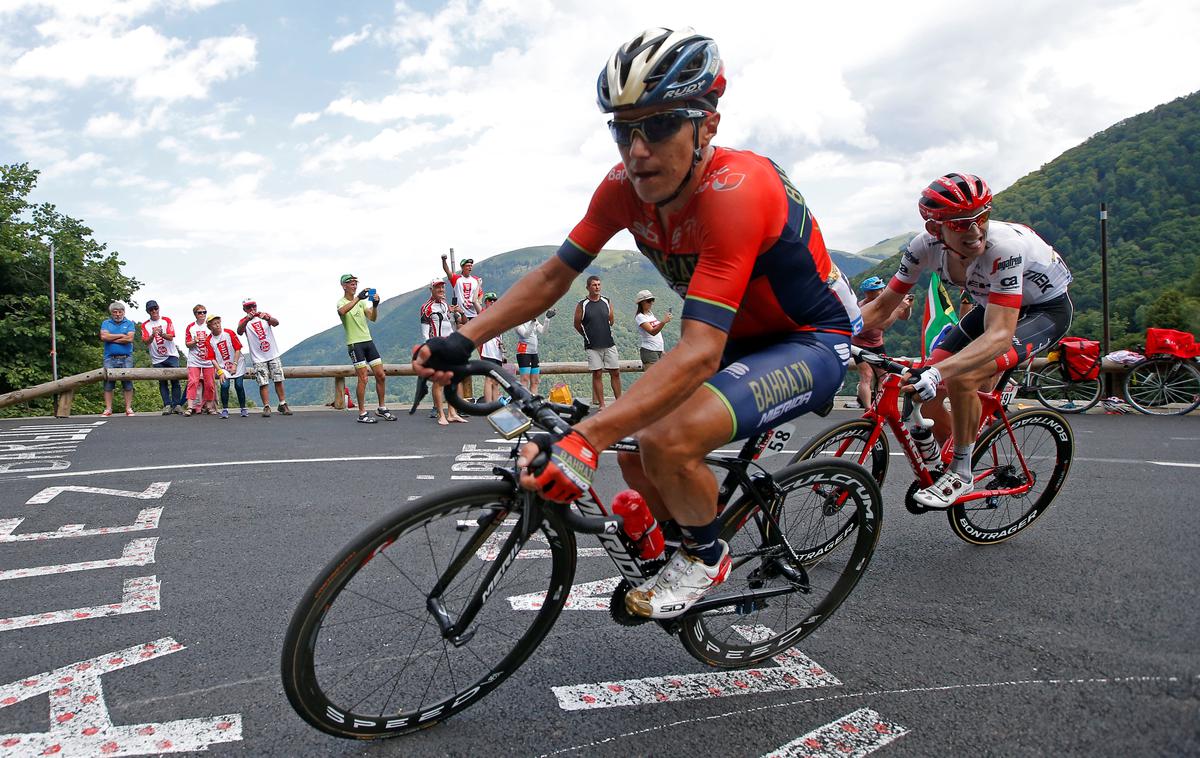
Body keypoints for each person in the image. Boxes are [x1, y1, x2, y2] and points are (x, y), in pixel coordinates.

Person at [415, 28, 858, 619]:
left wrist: (583, 438)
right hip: (733, 341)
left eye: (660, 125)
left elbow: (699, 350)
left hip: (810, 339)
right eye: (623, 129)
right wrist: (463, 337)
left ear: (707, 126)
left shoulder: (739, 191)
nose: (638, 148)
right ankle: (677, 543)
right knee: (632, 449)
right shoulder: (624, 189)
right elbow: (554, 276)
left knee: (665, 439)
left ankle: (705, 556)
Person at [861, 172, 1073, 509]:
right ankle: (955, 455)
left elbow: (1000, 335)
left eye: (981, 217)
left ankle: (962, 471)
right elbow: (883, 305)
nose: (975, 231)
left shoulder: (1003, 248)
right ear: (935, 229)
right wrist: (831, 335)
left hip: (1042, 311)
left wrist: (938, 372)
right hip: (993, 303)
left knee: (961, 377)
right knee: (922, 384)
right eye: (960, 224)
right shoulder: (922, 247)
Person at [337, 274, 396, 424]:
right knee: (363, 378)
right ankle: (362, 413)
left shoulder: (362, 303)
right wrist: (358, 298)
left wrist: (375, 305)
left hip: (368, 342)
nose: (354, 285)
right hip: (354, 344)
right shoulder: (341, 302)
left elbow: (373, 318)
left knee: (381, 375)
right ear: (344, 286)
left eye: (355, 283)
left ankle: (382, 408)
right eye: (350, 283)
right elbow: (342, 311)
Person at [850, 277, 913, 408]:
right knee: (866, 375)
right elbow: (882, 325)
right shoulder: (864, 307)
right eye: (879, 290)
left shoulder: (883, 304)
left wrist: (907, 307)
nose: (883, 291)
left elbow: (905, 317)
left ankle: (879, 406)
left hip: (877, 344)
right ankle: (868, 409)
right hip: (859, 345)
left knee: (883, 376)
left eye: (883, 289)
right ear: (869, 293)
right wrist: (898, 307)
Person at [419, 278, 468, 425]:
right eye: (437, 287)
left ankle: (452, 413)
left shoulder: (446, 305)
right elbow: (424, 333)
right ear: (431, 290)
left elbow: (453, 324)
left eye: (442, 287)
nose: (441, 290)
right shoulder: (426, 307)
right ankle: (441, 414)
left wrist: (457, 312)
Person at [237, 297, 291, 417]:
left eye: (253, 306)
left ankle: (283, 403)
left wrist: (267, 318)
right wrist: (247, 319)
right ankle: (266, 406)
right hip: (258, 357)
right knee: (263, 383)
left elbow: (276, 323)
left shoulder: (264, 315)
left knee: (278, 379)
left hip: (273, 354)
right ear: (244, 309)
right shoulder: (244, 321)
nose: (252, 309)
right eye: (249, 307)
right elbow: (239, 331)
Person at [574, 275, 621, 408]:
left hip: (609, 343)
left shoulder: (606, 301)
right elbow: (577, 324)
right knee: (597, 373)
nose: (597, 287)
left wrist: (604, 329)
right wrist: (587, 335)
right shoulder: (582, 305)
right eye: (594, 285)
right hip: (592, 345)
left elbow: (611, 319)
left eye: (599, 284)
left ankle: (620, 401)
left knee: (615, 372)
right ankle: (602, 404)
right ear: (588, 287)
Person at [442, 254, 484, 403]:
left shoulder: (475, 281)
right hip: (462, 314)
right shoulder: (457, 279)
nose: (470, 267)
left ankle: (480, 358)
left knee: (478, 341)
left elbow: (479, 297)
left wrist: (477, 303)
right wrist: (444, 261)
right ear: (462, 267)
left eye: (471, 265)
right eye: (467, 265)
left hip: (473, 314)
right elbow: (447, 272)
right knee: (460, 331)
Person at [139, 300, 182, 414]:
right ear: (148, 311)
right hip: (157, 357)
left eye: (155, 308)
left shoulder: (166, 320)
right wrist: (153, 334)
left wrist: (162, 334)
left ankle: (177, 404)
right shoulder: (145, 325)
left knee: (175, 380)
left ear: (158, 308)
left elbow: (171, 336)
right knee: (162, 382)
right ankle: (167, 405)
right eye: (151, 309)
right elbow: (145, 341)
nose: (154, 311)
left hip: (171, 355)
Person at [100, 300, 137, 417]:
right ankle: (108, 409)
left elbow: (129, 339)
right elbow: (104, 336)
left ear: (123, 312)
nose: (117, 314)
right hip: (109, 358)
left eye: (120, 312)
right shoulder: (106, 323)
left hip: (126, 358)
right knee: (108, 383)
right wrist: (121, 335)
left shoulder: (129, 323)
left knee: (127, 382)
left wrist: (112, 338)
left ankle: (128, 408)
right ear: (111, 313)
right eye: (115, 312)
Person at [206, 315, 247, 418]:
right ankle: (225, 409)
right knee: (225, 385)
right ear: (210, 326)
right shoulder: (209, 340)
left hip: (237, 362)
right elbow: (212, 358)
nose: (217, 325)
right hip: (222, 366)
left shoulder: (229, 333)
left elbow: (238, 348)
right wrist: (219, 371)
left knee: (239, 385)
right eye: (214, 324)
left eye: (218, 322)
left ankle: (243, 408)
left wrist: (235, 364)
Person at [182, 304, 217, 417]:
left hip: (208, 360)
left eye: (204, 312)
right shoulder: (190, 327)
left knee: (210, 384)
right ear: (195, 314)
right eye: (199, 312)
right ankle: (190, 406)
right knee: (193, 382)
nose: (202, 314)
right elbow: (187, 344)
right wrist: (195, 341)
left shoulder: (209, 326)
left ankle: (209, 406)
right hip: (194, 359)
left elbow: (217, 339)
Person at [514, 310, 551, 393]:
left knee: (535, 381)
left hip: (534, 353)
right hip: (524, 353)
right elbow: (525, 335)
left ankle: (534, 401)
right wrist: (532, 322)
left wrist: (547, 319)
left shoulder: (533, 320)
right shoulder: (518, 322)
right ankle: (524, 402)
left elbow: (543, 331)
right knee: (525, 380)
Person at [633, 289, 672, 367]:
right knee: (653, 378)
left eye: (652, 300)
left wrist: (661, 350)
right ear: (642, 302)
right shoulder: (640, 317)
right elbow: (652, 332)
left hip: (658, 351)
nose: (651, 303)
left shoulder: (650, 314)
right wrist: (663, 322)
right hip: (649, 351)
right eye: (649, 301)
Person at [478, 292, 505, 404]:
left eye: (495, 300)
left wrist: (503, 353)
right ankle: (488, 405)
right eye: (490, 300)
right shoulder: (484, 313)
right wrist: (478, 288)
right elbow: (475, 302)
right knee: (489, 379)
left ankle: (495, 405)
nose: (493, 302)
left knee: (496, 380)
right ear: (486, 302)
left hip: (497, 352)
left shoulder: (499, 316)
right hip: (488, 351)